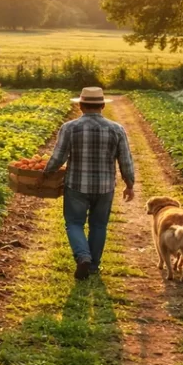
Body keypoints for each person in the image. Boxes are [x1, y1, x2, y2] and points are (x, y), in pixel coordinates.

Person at [42, 87, 136, 280]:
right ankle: (93, 266)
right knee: (99, 225)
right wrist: (129, 183)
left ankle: (83, 256)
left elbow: (58, 158)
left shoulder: (69, 128)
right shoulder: (116, 129)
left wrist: (46, 173)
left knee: (74, 223)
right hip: (105, 186)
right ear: (102, 105)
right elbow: (125, 160)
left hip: (76, 184)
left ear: (80, 105)